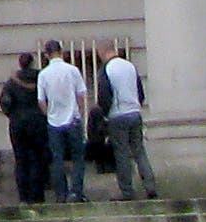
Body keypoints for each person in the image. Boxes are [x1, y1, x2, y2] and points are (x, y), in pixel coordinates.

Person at [36, 41, 90, 204]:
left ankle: (61, 194)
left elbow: (41, 100)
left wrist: (48, 115)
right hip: (72, 119)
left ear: (46, 54)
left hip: (54, 122)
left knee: (57, 158)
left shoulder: (43, 74)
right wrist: (79, 112)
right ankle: (76, 192)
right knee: (78, 157)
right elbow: (81, 94)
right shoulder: (72, 70)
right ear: (61, 52)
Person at [97, 40, 150, 200]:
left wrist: (105, 115)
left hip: (117, 115)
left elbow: (105, 96)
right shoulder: (130, 66)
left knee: (122, 154)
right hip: (134, 113)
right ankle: (150, 185)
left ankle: (127, 191)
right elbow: (140, 92)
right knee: (139, 151)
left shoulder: (106, 69)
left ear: (103, 52)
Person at [0, 53, 50, 205]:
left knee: (21, 159)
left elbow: (4, 102)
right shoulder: (41, 78)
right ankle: (38, 195)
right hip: (38, 122)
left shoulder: (12, 82)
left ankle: (24, 196)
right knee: (38, 159)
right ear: (32, 63)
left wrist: (13, 115)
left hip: (18, 123)